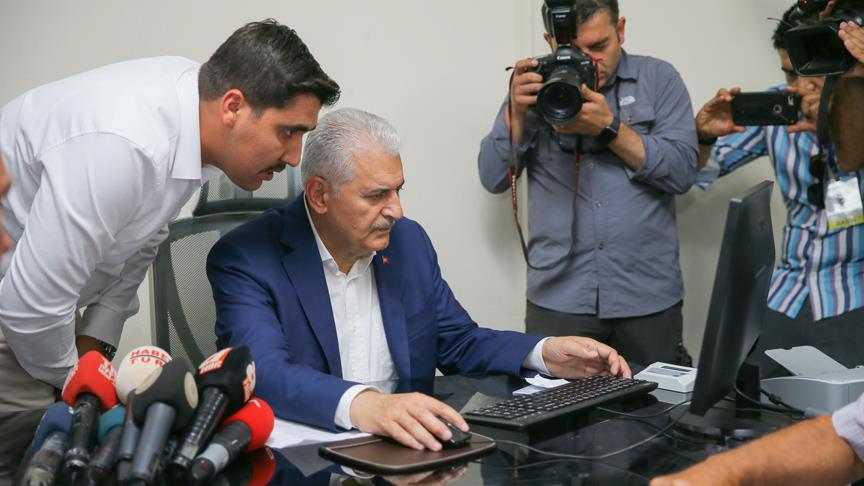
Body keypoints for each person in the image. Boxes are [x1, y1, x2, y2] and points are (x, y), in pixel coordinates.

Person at [207, 108, 631, 451]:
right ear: (319, 194)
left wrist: (543, 353)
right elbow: (263, 371)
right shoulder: (247, 257)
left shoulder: (406, 241)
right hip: (308, 465)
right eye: (377, 195)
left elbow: (458, 341)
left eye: (398, 190)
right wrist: (367, 405)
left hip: (408, 456)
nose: (397, 211)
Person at [0, 19, 340, 410]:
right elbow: (30, 309)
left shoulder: (192, 112)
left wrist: (93, 354)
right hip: (17, 313)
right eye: (288, 132)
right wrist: (81, 385)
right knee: (43, 443)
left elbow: (141, 240)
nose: (295, 157)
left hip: (40, 311)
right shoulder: (126, 145)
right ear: (233, 107)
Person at [477, 0, 698, 366]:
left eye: (599, 46)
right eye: (577, 50)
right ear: (551, 42)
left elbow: (683, 172)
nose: (591, 61)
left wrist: (608, 128)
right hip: (560, 297)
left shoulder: (659, 79)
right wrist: (516, 113)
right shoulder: (536, 86)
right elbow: (493, 178)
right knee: (555, 402)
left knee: (655, 399)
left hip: (646, 295)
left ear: (620, 29)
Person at [694, 4, 864, 378]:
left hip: (851, 297)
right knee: (760, 400)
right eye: (789, 72)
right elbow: (702, 170)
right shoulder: (780, 106)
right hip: (785, 295)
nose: (800, 86)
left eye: (812, 71)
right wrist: (703, 135)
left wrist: (836, 122)